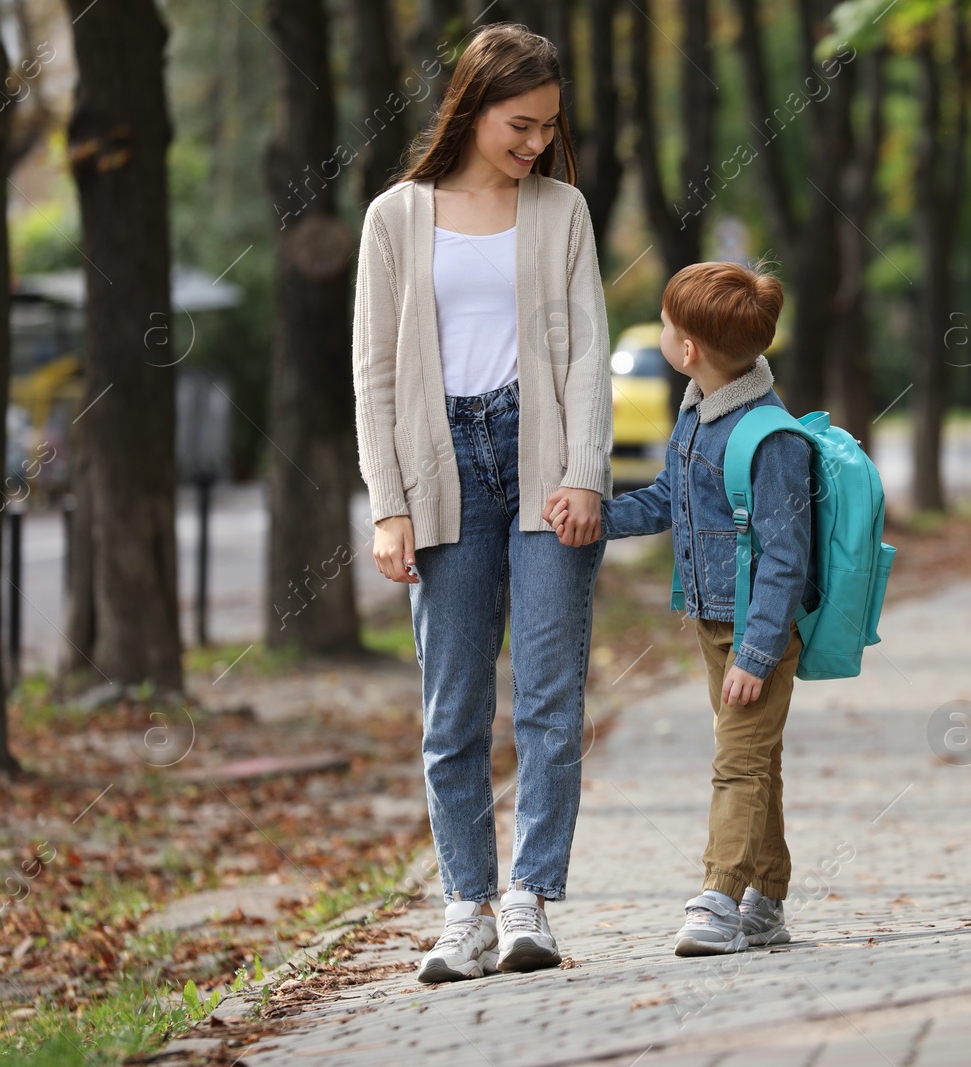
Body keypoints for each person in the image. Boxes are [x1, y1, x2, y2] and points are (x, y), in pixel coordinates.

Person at [352, 23, 612, 981]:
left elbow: (587, 349)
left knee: (549, 695)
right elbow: (375, 372)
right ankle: (463, 904)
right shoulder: (394, 217)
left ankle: (530, 900)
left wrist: (585, 470)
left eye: (547, 127)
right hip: (439, 463)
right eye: (520, 123)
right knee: (452, 708)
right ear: (472, 105)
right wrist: (390, 503)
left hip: (542, 458)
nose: (535, 143)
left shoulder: (564, 212)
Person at [546, 261, 815, 956]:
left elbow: (786, 556)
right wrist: (600, 517)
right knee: (755, 759)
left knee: (738, 762)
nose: (663, 332)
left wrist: (757, 654)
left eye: (666, 324)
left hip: (759, 630)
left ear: (688, 348)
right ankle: (769, 898)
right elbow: (669, 498)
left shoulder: (770, 437)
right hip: (711, 619)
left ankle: (720, 898)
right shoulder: (698, 409)